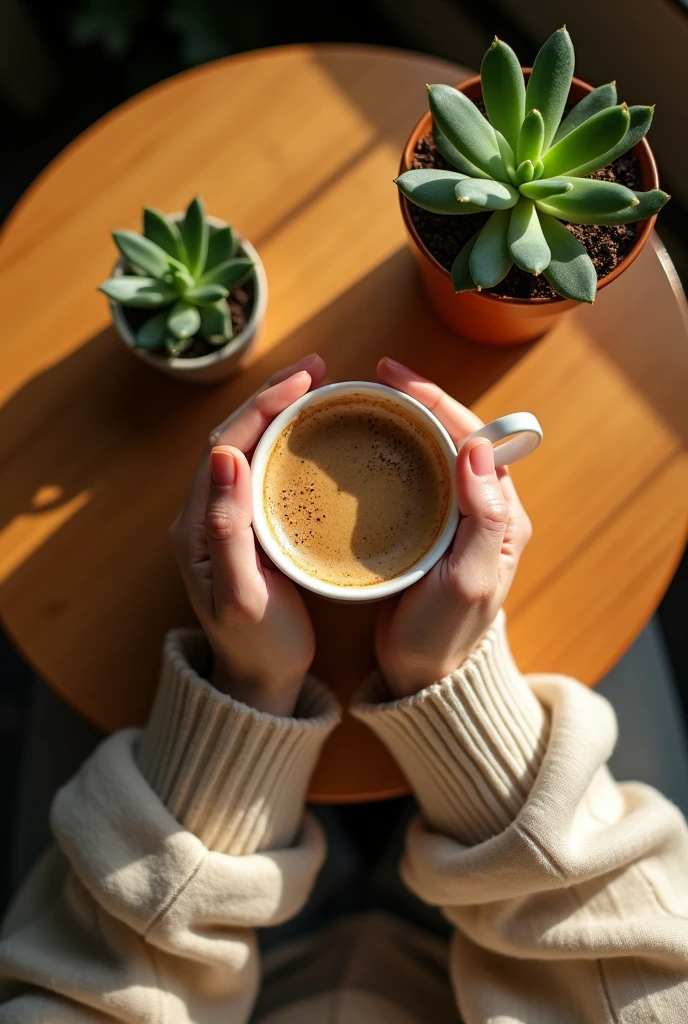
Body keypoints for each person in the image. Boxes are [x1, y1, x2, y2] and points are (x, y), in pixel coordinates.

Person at [1, 354, 687, 1023]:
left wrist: (251, 683)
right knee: (624, 601)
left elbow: (83, 990)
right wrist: (439, 675)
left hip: (250, 955)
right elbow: (640, 965)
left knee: (70, 661)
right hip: (474, 952)